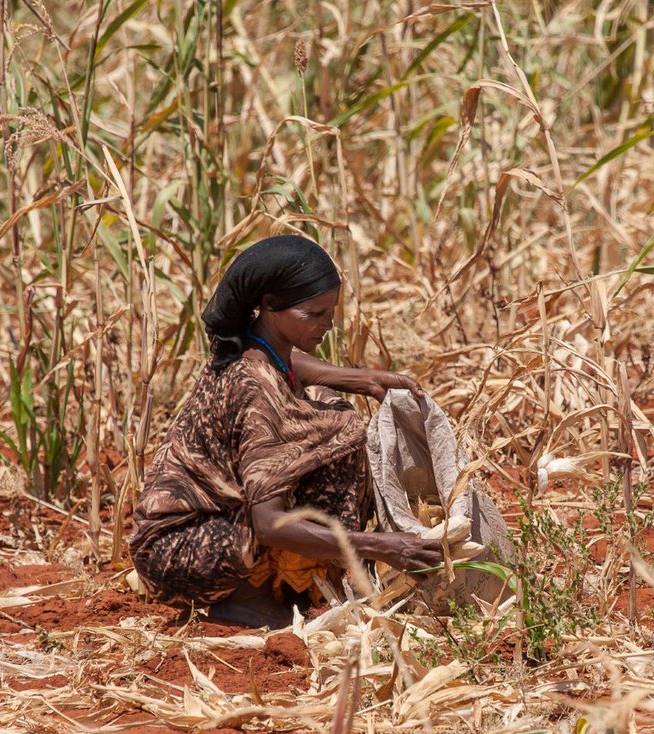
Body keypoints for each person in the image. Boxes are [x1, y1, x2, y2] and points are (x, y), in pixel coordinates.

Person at [130, 235, 444, 626]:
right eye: (314, 314)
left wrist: (363, 379)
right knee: (335, 429)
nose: (327, 325)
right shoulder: (257, 390)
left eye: (331, 312)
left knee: (329, 408)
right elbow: (269, 524)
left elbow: (290, 362)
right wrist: (380, 546)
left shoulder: (249, 344)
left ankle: (292, 584)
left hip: (205, 529)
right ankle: (247, 599)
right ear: (269, 307)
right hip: (185, 550)